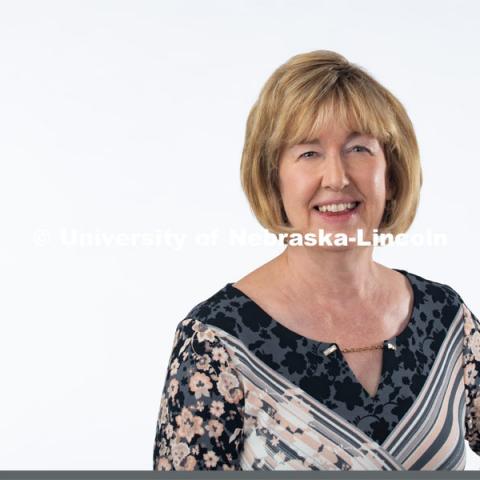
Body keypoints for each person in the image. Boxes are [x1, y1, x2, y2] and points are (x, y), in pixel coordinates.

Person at [152, 50, 480, 470]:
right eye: (309, 153)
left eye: (358, 148)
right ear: (273, 177)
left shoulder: (445, 319)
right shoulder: (216, 342)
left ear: (392, 172)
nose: (338, 177)